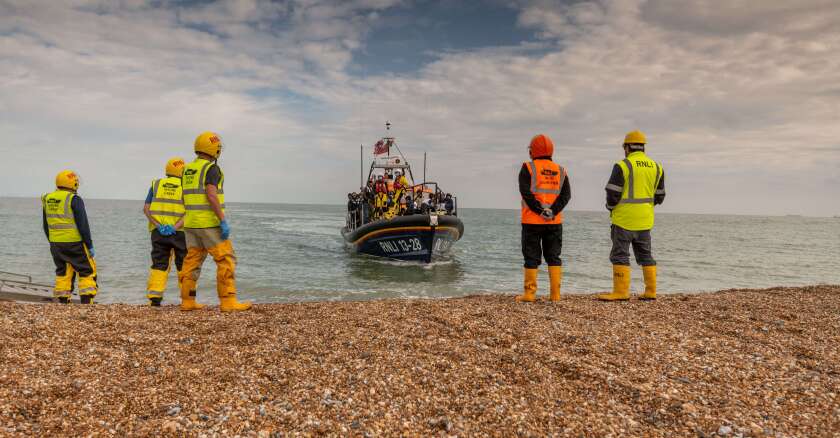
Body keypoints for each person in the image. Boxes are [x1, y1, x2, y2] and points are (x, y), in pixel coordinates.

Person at [179, 131, 252, 312]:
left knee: (192, 262)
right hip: (209, 223)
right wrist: (222, 220)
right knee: (225, 259)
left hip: (191, 224)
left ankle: (187, 301)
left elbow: (185, 197)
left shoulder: (187, 169)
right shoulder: (211, 169)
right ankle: (228, 301)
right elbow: (211, 195)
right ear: (214, 149)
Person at [598, 130, 665, 301]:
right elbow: (660, 196)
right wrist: (645, 207)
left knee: (620, 254)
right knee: (645, 255)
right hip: (645, 220)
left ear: (627, 147)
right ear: (643, 147)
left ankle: (621, 292)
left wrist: (610, 207)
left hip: (623, 219)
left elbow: (612, 193)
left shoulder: (623, 165)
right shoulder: (657, 167)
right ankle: (651, 291)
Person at [516, 134, 571, 303]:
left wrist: (540, 211)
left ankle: (529, 294)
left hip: (532, 221)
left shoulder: (528, 167)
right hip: (554, 222)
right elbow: (566, 196)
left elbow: (526, 193)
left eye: (530, 149)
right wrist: (552, 211)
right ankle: (555, 295)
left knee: (531, 257)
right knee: (553, 256)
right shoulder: (561, 170)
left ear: (533, 151)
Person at [42, 170, 98, 304]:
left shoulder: (48, 198)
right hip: (75, 243)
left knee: (63, 271)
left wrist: (52, 241)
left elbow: (46, 224)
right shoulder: (74, 199)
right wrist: (89, 245)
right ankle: (86, 301)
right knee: (87, 270)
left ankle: (63, 301)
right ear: (73, 183)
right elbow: (83, 225)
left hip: (56, 243)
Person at [143, 157, 187, 306]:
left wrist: (158, 225)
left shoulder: (156, 184)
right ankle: (187, 299)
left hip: (158, 232)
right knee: (183, 265)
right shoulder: (185, 186)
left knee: (159, 264)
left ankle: (155, 298)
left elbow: (146, 209)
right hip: (180, 233)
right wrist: (174, 227)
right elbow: (189, 212)